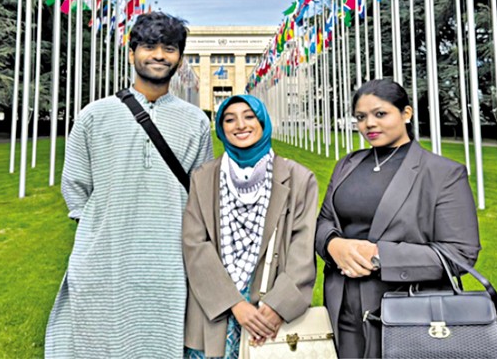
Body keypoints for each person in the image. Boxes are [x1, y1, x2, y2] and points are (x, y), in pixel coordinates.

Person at [45, 12, 214, 358]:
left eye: (169, 48)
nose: (158, 55)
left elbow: (201, 195)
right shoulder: (94, 115)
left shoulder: (196, 122)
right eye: (149, 46)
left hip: (168, 259)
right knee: (100, 340)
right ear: (131, 52)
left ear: (179, 59)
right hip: (106, 255)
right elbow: (76, 187)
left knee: (160, 342)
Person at [315, 79, 481, 358]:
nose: (369, 124)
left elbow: (460, 253)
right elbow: (323, 222)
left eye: (380, 114)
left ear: (406, 113)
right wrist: (333, 245)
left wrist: (380, 256)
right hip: (342, 307)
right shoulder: (346, 165)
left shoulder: (442, 173)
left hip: (408, 311)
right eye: (361, 117)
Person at [183, 94, 318, 359]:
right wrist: (234, 304)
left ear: (263, 122)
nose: (240, 125)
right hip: (214, 311)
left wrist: (277, 306)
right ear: (222, 129)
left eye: (249, 116)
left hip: (268, 314)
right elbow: (194, 244)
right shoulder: (203, 177)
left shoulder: (299, 178)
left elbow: (302, 248)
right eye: (229, 119)